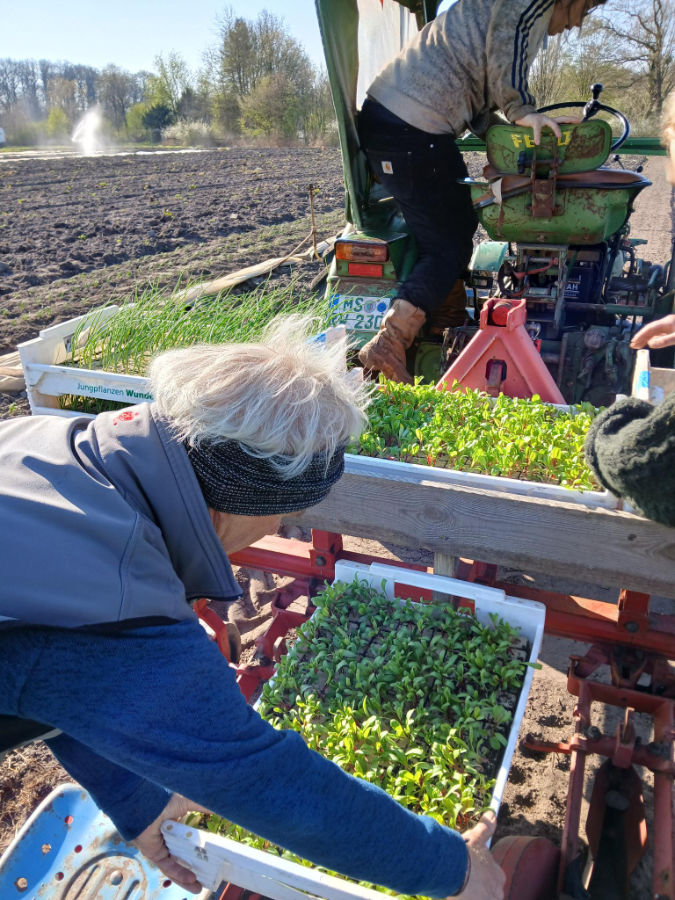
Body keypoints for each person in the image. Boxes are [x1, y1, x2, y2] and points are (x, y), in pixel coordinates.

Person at [0, 315, 504, 900]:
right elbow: (266, 782)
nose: (281, 530)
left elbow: (55, 666)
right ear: (238, 504)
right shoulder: (122, 600)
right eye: (284, 515)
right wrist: (454, 869)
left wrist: (138, 804)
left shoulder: (48, 445)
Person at [357, 0, 608, 383]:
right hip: (411, 128)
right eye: (585, 9)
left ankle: (444, 331)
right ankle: (390, 341)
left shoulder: (483, 15)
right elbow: (511, 30)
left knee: (452, 225)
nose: (574, 24)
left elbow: (476, 102)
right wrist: (521, 109)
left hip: (393, 124)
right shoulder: (528, 4)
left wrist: (507, 140)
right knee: (449, 243)